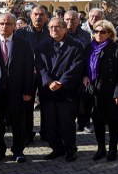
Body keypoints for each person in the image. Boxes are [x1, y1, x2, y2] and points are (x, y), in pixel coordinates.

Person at [0, 13, 35, 164]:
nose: (5, 26)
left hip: (17, 92)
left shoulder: (23, 44)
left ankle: (18, 151)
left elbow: (29, 68)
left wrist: (28, 91)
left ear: (14, 26)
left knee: (18, 123)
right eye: (1, 23)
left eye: (8, 24)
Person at [35, 18, 85, 162]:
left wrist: (61, 82)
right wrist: (49, 81)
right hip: (48, 90)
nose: (54, 30)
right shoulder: (42, 46)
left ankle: (70, 150)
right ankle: (57, 148)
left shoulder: (76, 46)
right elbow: (40, 66)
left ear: (65, 29)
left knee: (66, 123)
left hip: (67, 91)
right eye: (51, 27)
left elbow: (76, 66)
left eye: (57, 27)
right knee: (50, 123)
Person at [84, 20, 118, 161]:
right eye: (96, 31)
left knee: (113, 122)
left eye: (103, 32)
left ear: (110, 33)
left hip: (112, 90)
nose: (99, 34)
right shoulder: (89, 48)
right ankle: (101, 148)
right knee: (97, 121)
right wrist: (85, 76)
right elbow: (84, 67)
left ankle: (113, 149)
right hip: (95, 91)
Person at [15, 5, 51, 144]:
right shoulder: (21, 33)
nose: (38, 17)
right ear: (30, 16)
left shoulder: (50, 32)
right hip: (27, 75)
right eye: (35, 14)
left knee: (46, 104)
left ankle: (46, 132)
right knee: (26, 105)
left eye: (41, 14)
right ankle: (27, 134)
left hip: (46, 74)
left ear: (46, 17)